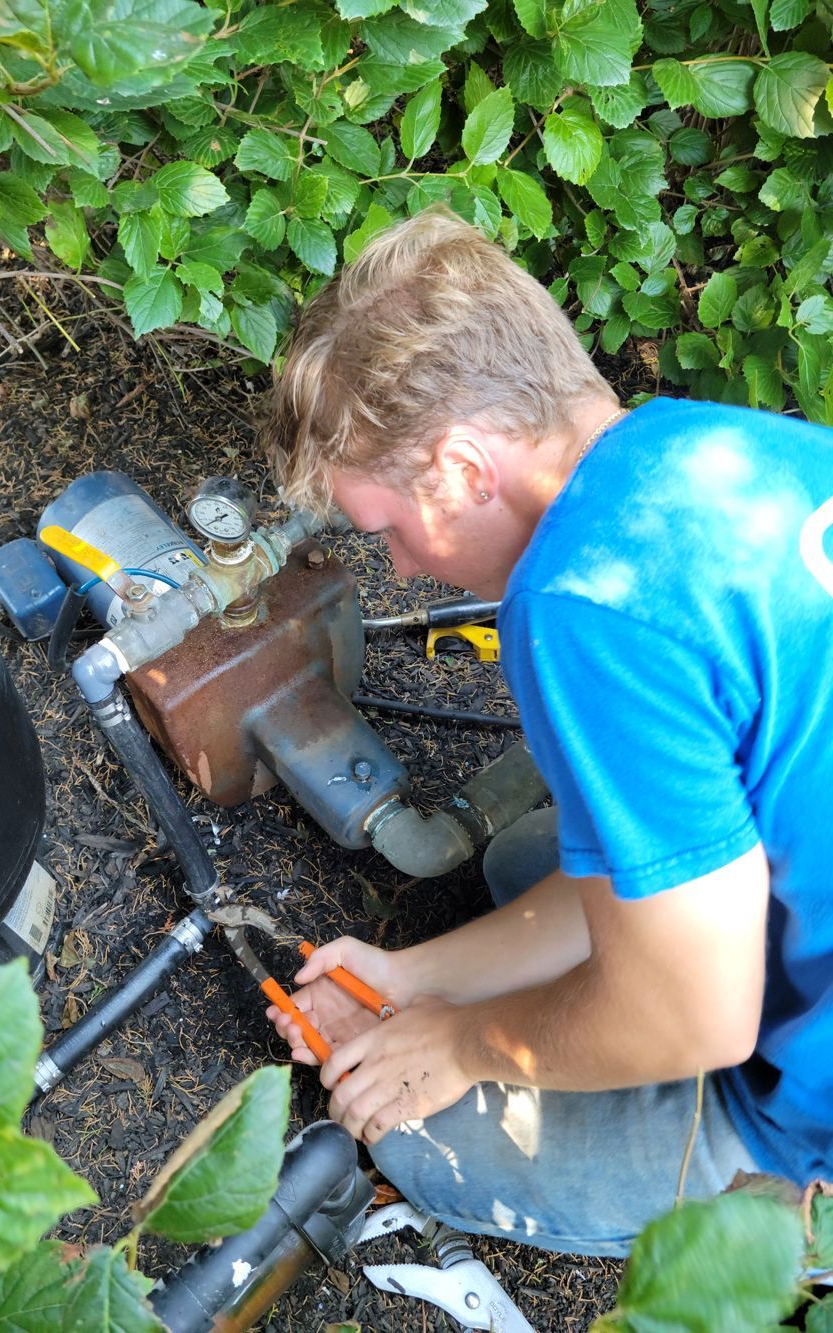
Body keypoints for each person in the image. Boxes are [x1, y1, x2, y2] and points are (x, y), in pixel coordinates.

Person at [259, 207, 833, 1258]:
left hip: (809, 1099)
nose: (401, 573)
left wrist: (461, 1042)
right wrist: (412, 977)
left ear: (466, 469)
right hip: (783, 895)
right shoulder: (707, 446)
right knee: (536, 855)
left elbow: (701, 1020)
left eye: (388, 528)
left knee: (423, 1137)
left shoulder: (582, 605)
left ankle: (801, 1214)